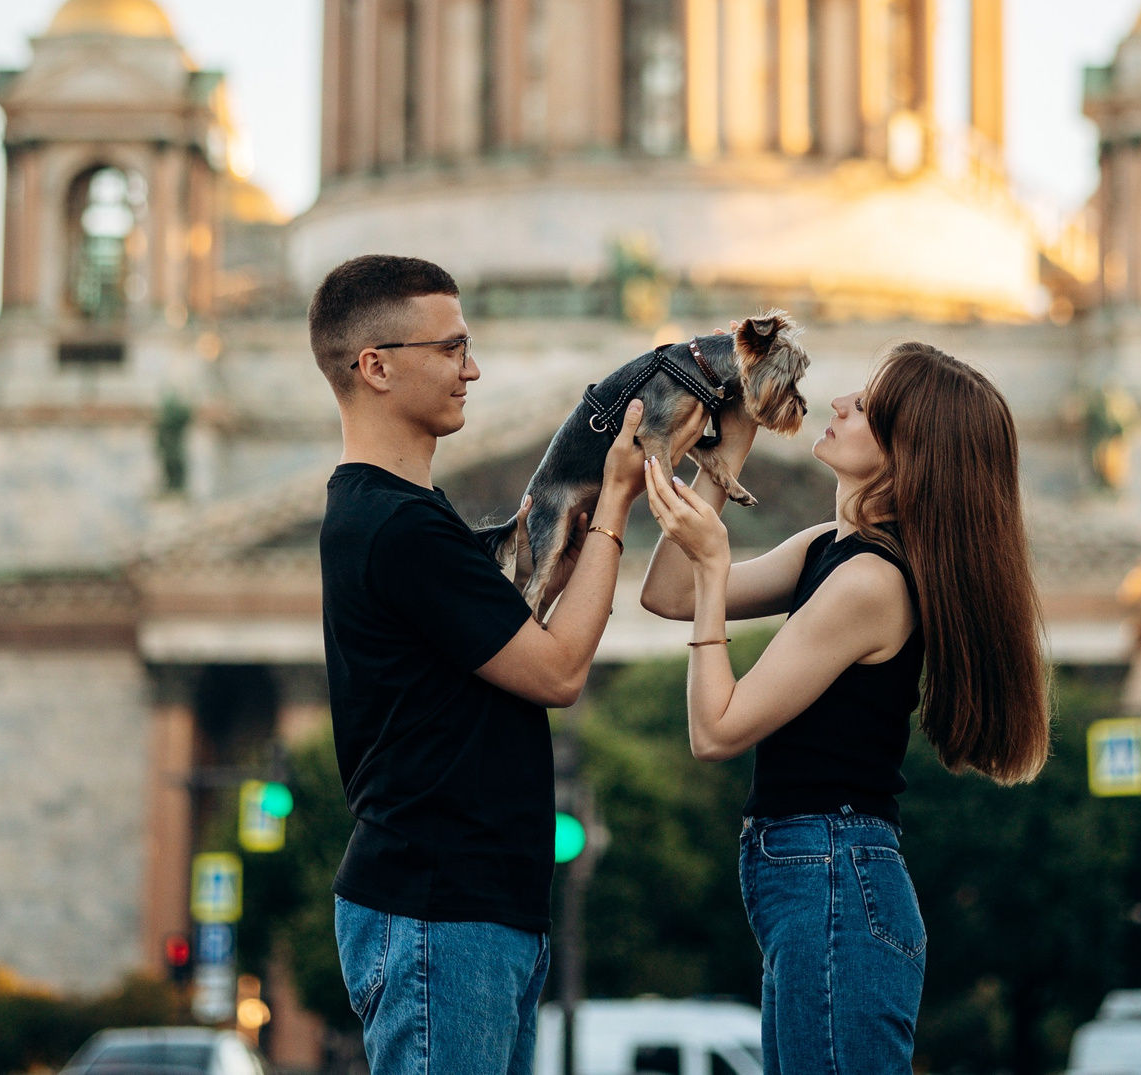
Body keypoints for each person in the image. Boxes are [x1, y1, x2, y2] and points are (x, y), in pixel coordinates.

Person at [637, 340, 1051, 1075]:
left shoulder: (871, 582)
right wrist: (722, 458)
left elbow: (716, 728)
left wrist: (712, 568)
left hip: (833, 877)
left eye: (865, 405)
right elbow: (664, 593)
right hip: (821, 877)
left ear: (905, 453)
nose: (837, 404)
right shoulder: (828, 547)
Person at [310, 254, 648, 1075]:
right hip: (441, 910)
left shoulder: (399, 518)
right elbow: (559, 671)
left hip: (466, 909)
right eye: (452, 347)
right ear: (376, 365)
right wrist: (612, 511)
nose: (474, 367)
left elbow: (508, 628)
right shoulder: (402, 529)